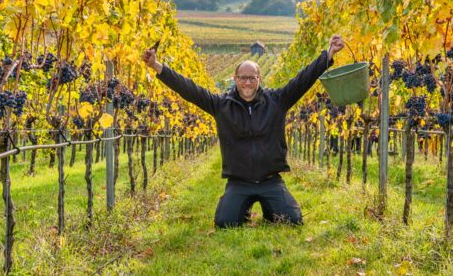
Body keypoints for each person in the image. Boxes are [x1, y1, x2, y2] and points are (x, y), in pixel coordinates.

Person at [142, 35, 345, 228]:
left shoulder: (278, 101)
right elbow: (189, 89)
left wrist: (328, 54)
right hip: (239, 182)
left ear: (259, 78)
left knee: (292, 220)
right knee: (224, 222)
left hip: (270, 180)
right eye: (243, 78)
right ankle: (243, 207)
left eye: (252, 78)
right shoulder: (221, 105)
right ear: (235, 79)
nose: (247, 82)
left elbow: (303, 80)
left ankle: (269, 208)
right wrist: (157, 66)